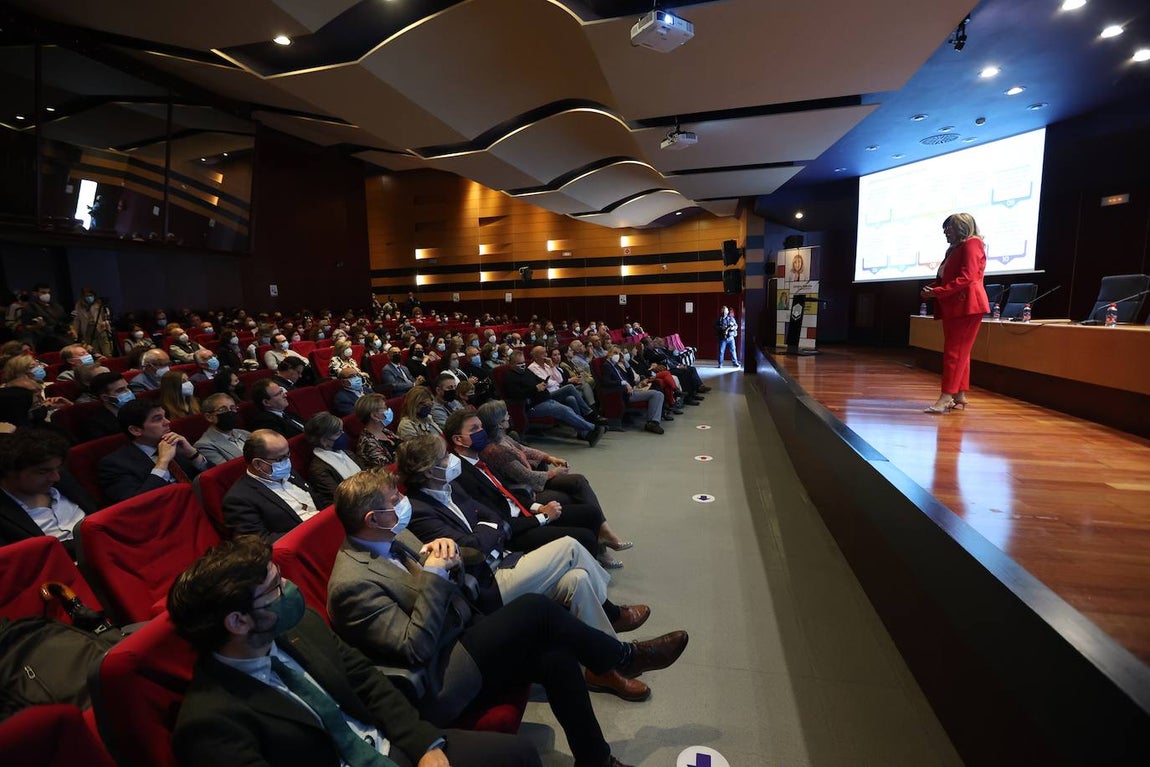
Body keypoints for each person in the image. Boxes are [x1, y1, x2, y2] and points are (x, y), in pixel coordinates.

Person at [328, 470, 689, 767]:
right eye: (394, 501)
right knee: (535, 608)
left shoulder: (395, 532)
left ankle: (596, 760)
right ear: (372, 519)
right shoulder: (352, 585)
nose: (401, 504)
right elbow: (414, 647)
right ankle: (623, 657)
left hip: (462, 633)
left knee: (556, 657)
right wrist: (435, 578)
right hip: (437, 678)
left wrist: (450, 561)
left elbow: (448, 583)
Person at [167, 536, 540, 767]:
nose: (290, 588)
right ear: (238, 622)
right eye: (275, 588)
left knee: (518, 755)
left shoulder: (299, 626)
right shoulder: (209, 723)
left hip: (390, 746)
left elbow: (367, 681)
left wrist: (423, 743)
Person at [395, 434, 655, 701]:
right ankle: (617, 640)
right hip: (486, 585)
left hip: (505, 558)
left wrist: (488, 531)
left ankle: (602, 669)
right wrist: (489, 531)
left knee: (578, 579)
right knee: (570, 546)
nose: (451, 460)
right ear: (427, 470)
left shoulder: (450, 487)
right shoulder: (419, 508)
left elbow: (493, 518)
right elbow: (471, 548)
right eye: (444, 457)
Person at [473, 403, 629, 566]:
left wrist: (549, 458)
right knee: (575, 492)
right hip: (527, 491)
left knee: (579, 484)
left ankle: (603, 537)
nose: (509, 416)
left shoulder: (502, 437)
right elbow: (527, 477)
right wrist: (554, 472)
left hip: (531, 482)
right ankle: (602, 540)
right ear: (498, 422)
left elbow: (524, 449)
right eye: (505, 414)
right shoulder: (496, 451)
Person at [921, 213, 991, 414]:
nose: (945, 232)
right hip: (956, 305)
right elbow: (947, 278)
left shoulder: (972, 244)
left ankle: (945, 397)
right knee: (960, 352)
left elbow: (967, 277)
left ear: (961, 227)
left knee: (954, 352)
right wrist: (932, 290)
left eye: (948, 228)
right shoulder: (954, 249)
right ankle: (959, 394)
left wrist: (938, 292)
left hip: (968, 305)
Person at [0, 428, 97, 556]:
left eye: (57, 468)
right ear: (10, 472)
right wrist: (93, 540)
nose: (55, 477)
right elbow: (28, 558)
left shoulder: (61, 480)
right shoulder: (5, 512)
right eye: (43, 472)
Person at [98, 398, 208, 505]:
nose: (167, 422)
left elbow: (211, 480)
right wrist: (162, 463)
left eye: (165, 417)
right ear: (135, 430)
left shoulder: (175, 444)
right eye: (157, 419)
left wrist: (192, 453)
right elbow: (137, 505)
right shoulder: (115, 464)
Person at [222, 429, 319, 542]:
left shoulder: (288, 472)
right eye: (280, 459)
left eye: (288, 454)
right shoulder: (238, 499)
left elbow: (318, 499)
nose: (287, 461)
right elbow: (257, 542)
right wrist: (310, 532)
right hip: (303, 543)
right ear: (258, 464)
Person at [501, 350, 605, 447]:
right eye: (519, 363)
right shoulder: (509, 376)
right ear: (511, 364)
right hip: (531, 405)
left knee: (569, 405)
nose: (522, 365)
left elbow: (540, 380)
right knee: (564, 410)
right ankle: (594, 427)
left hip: (543, 398)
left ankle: (586, 434)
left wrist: (543, 383)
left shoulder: (526, 372)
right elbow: (515, 394)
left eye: (523, 362)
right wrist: (535, 389)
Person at [304, 412, 366, 509]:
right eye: (338, 433)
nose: (343, 435)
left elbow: (367, 474)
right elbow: (341, 497)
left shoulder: (346, 452)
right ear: (323, 440)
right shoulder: (319, 469)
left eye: (342, 431)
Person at [598, 346, 665, 435]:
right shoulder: (607, 365)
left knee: (658, 394)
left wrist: (626, 364)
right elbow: (606, 382)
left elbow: (631, 379)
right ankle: (652, 422)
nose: (617, 355)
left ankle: (653, 422)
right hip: (623, 393)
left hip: (630, 390)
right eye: (615, 353)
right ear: (609, 354)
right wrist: (623, 383)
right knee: (657, 394)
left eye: (618, 353)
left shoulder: (616, 366)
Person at [194, 393, 252, 466]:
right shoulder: (204, 445)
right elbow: (229, 471)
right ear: (209, 417)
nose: (229, 412)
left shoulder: (245, 433)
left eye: (232, 408)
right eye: (223, 410)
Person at [80, 372, 134, 441]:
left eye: (128, 387)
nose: (128, 392)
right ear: (105, 398)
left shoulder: (140, 408)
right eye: (120, 390)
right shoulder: (95, 424)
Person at [354, 393, 401, 468]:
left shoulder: (384, 430)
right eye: (385, 408)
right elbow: (388, 471)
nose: (389, 410)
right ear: (374, 416)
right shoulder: (368, 444)